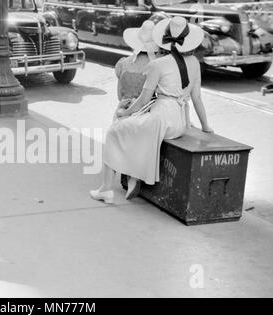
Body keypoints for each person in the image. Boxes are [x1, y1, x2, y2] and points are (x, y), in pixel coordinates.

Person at [90, 16, 213, 204]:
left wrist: (124, 113)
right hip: (181, 123)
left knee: (114, 132)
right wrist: (206, 127)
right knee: (134, 130)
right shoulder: (195, 62)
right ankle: (132, 177)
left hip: (161, 119)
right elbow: (197, 98)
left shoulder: (158, 64)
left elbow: (143, 100)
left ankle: (106, 188)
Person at [114, 20, 159, 119]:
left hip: (122, 111)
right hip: (144, 115)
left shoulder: (123, 64)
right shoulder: (155, 67)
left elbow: (119, 96)